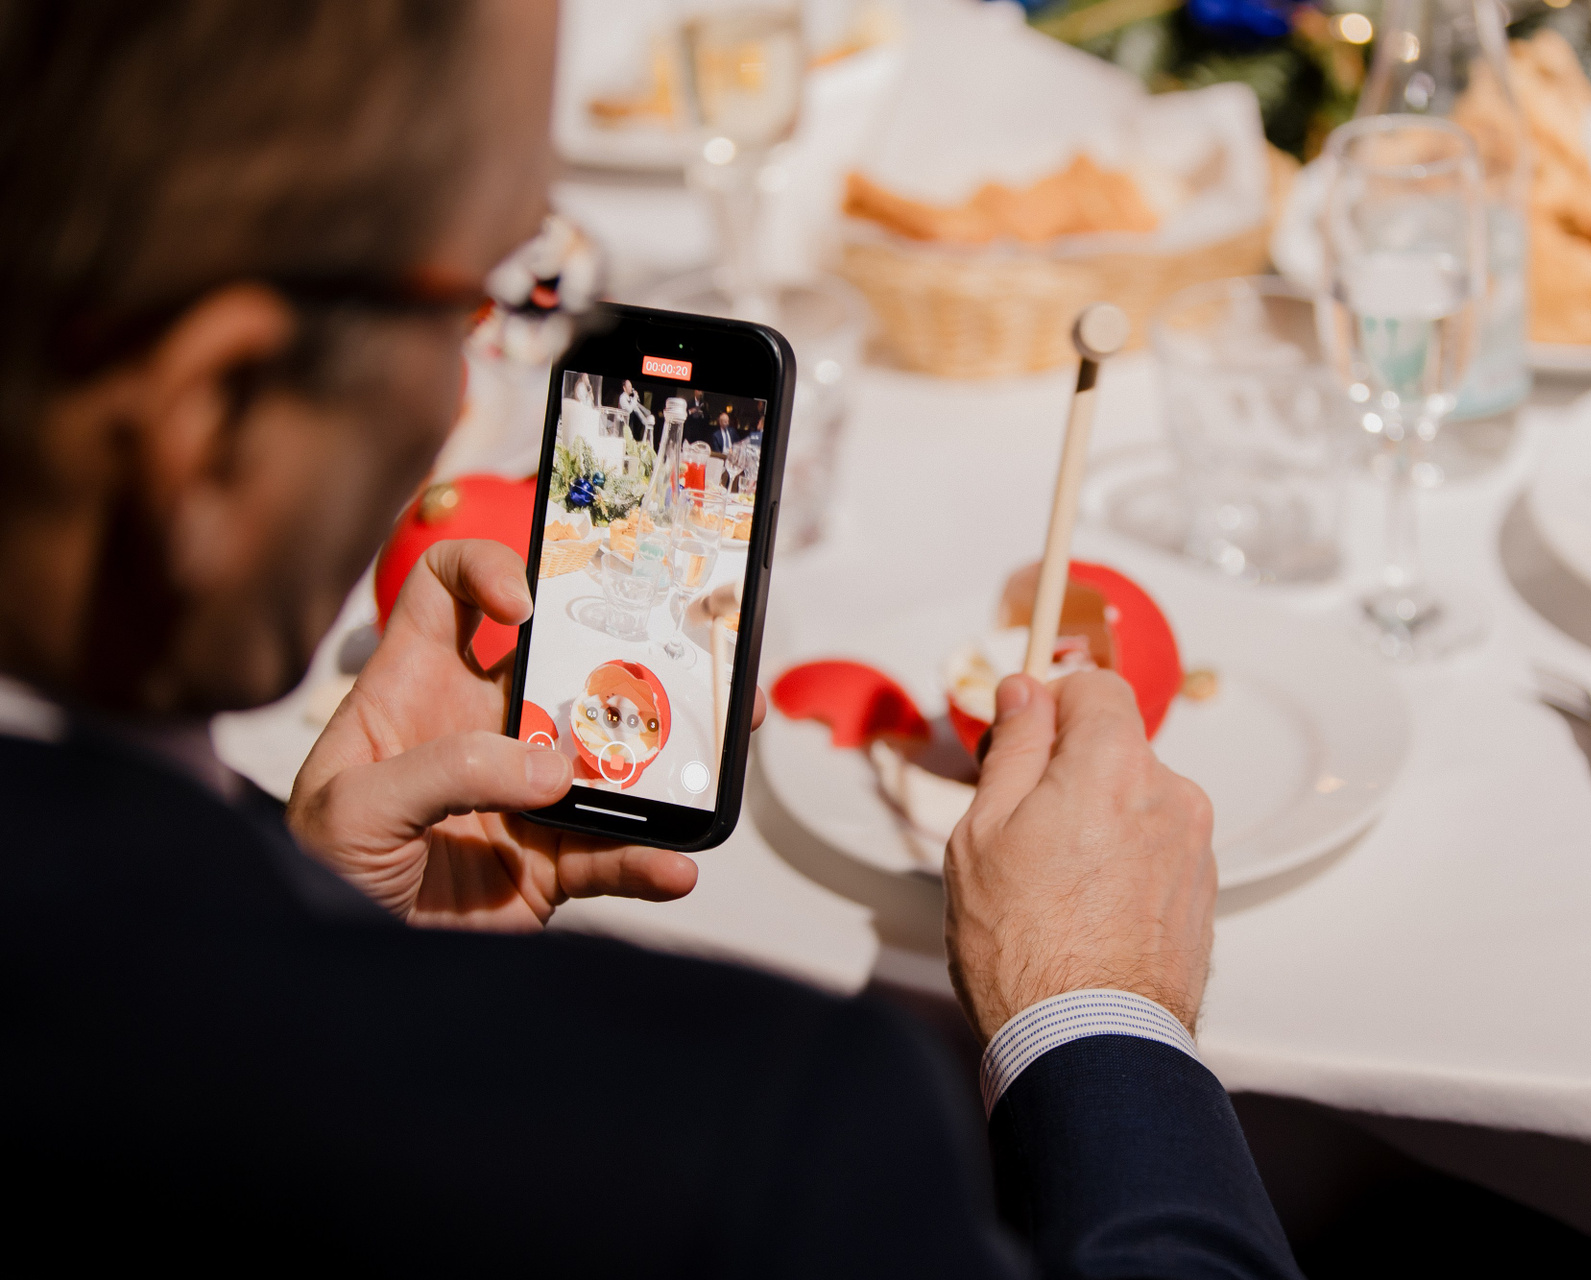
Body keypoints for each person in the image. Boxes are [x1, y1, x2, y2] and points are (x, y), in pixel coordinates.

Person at [0, 3, 1302, 1275]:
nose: (468, 392)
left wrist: (346, 946)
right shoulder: (756, 1140)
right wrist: (1095, 1010)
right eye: (494, 294)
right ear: (215, 412)